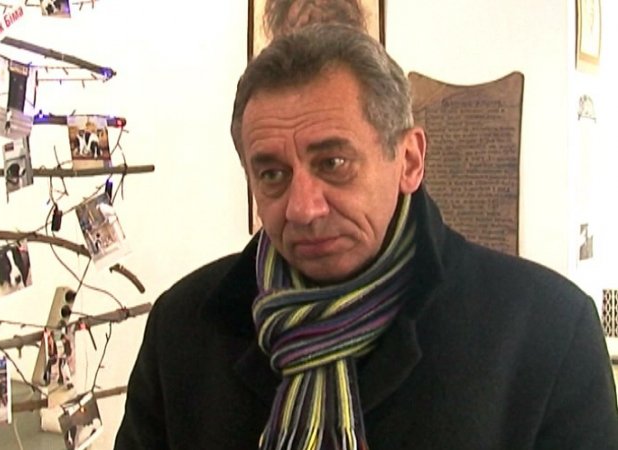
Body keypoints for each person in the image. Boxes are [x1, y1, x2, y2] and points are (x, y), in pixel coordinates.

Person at [115, 24, 618, 449]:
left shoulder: (548, 332)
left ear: (409, 161)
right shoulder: (184, 328)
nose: (304, 208)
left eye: (333, 163)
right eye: (272, 174)